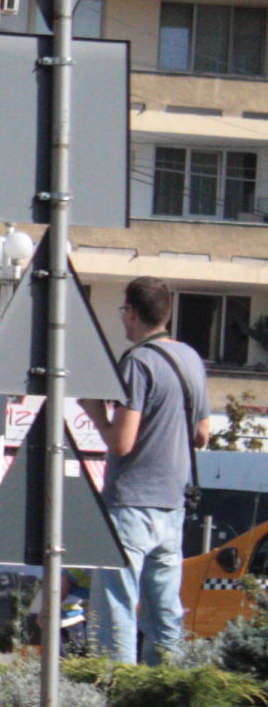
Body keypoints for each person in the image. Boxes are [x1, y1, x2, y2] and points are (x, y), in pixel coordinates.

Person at [83, 276, 211, 665]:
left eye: (124, 311)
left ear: (133, 313)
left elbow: (122, 443)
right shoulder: (191, 359)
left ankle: (119, 689)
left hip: (130, 501)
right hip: (172, 504)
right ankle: (166, 686)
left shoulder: (138, 362)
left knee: (117, 607)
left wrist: (94, 413)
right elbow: (202, 435)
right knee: (164, 613)